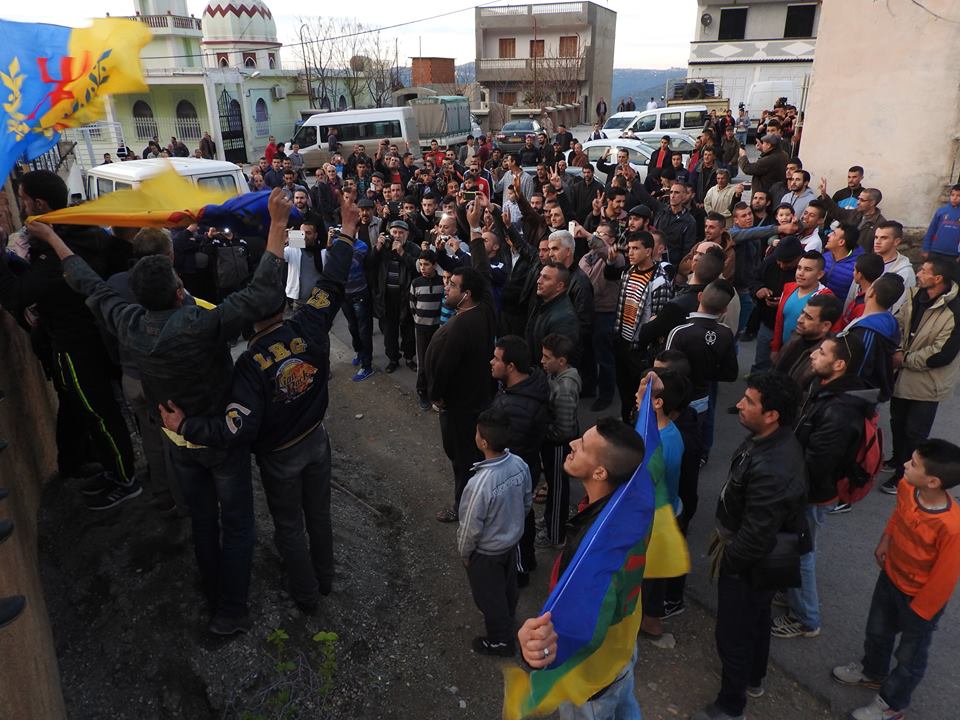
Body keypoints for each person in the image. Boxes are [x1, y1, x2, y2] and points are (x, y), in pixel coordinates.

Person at [31, 189, 291, 635]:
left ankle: (212, 592)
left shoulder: (127, 321)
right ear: (178, 290)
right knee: (238, 522)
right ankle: (231, 608)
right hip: (219, 440)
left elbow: (87, 283)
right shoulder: (201, 323)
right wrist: (278, 223)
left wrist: (53, 240)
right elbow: (262, 289)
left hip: (178, 442)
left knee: (204, 522)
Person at [158, 205, 359, 615]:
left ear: (250, 318)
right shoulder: (309, 324)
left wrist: (188, 425)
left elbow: (236, 428)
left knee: (289, 527)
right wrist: (348, 231)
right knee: (319, 517)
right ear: (282, 308)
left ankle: (306, 596)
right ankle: (325, 578)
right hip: (317, 441)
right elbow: (333, 282)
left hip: (280, 456)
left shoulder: (249, 366)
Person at [2, 170, 138, 509]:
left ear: (39, 204)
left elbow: (18, 295)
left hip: (78, 348)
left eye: (22, 201)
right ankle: (112, 468)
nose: (20, 208)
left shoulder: (59, 251)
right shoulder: (82, 232)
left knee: (99, 414)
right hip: (86, 342)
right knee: (94, 411)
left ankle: (125, 478)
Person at [517, 418, 649, 720]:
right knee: (626, 703)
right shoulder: (632, 503)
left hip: (592, 680)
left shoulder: (596, 557)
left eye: (584, 445)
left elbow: (580, 631)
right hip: (622, 653)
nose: (573, 444)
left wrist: (539, 650)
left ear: (600, 472)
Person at [693, 372, 807, 720]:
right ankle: (753, 678)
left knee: (734, 632)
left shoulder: (773, 465)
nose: (739, 404)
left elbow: (756, 534)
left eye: (750, 401)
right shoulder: (770, 440)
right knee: (757, 619)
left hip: (751, 562)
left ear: (771, 414)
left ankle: (730, 706)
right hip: (762, 562)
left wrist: (731, 564)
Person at [831, 439, 960, 720]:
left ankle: (892, 704)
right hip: (890, 578)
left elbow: (945, 577)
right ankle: (873, 671)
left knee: (909, 657)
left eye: (913, 464)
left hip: (919, 601)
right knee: (877, 631)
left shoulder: (951, 526)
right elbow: (898, 515)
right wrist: (886, 539)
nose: (904, 465)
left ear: (934, 482)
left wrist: (921, 613)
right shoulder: (907, 487)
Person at [772, 334, 876, 640]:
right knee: (797, 546)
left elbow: (819, 463)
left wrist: (788, 485)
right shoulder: (829, 390)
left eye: (822, 352)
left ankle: (806, 617)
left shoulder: (839, 409)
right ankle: (791, 593)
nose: (814, 355)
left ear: (839, 364)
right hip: (807, 487)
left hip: (812, 493)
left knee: (802, 551)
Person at [457, 406, 532, 657]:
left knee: (489, 598)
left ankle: (501, 640)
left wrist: (465, 553)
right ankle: (509, 618)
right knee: (508, 588)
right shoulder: (520, 465)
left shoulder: (479, 483)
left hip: (486, 553)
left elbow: (470, 526)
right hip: (511, 544)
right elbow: (526, 501)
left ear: (483, 441)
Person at [883, 256, 960, 494]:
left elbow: (941, 354)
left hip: (928, 383)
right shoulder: (914, 295)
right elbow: (898, 323)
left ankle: (903, 477)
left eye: (923, 271)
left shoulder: (954, 310)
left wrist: (904, 359)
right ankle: (898, 460)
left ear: (937, 279)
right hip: (903, 375)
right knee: (897, 421)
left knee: (915, 432)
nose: (918, 273)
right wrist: (897, 349)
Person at [426, 267, 498, 522]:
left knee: (462, 459)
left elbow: (444, 366)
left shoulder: (460, 326)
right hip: (479, 400)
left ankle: (463, 508)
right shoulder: (485, 311)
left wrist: (436, 394)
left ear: (466, 294)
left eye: (452, 285)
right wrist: (475, 230)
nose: (446, 287)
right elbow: (485, 283)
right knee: (475, 457)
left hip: (459, 407)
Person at [488, 335, 550, 585]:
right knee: (523, 516)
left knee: (514, 522)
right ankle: (528, 559)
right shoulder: (527, 388)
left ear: (511, 367)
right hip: (527, 468)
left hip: (515, 474)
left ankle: (520, 571)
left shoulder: (515, 407)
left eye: (496, 358)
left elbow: (508, 449)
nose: (491, 362)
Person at [606, 231, 675, 423]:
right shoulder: (629, 271)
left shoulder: (659, 281)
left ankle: (639, 425)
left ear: (649, 251)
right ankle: (627, 417)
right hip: (623, 341)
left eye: (635, 248)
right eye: (629, 248)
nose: (630, 252)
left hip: (640, 348)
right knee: (624, 386)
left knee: (640, 391)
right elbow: (609, 275)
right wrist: (611, 261)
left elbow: (659, 321)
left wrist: (646, 343)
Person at [665, 280, 739, 454]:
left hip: (676, 400)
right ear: (724, 310)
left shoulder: (680, 332)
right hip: (702, 399)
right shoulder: (725, 333)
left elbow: (666, 373)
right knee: (693, 440)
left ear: (699, 297)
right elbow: (730, 373)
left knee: (671, 444)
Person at [538, 333, 581, 549]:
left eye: (547, 357)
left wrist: (545, 434)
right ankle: (550, 523)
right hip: (554, 442)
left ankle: (556, 535)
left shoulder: (564, 388)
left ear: (561, 361)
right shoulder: (557, 377)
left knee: (557, 489)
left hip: (558, 445)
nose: (542, 361)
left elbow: (564, 428)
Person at [841, 273, 905, 404]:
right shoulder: (890, 320)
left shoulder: (869, 330)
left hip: (856, 395)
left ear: (871, 292)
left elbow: (861, 365)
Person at [370, 219, 419, 373]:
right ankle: (393, 359)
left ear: (407, 235)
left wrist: (402, 253)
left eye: (401, 233)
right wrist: (377, 247)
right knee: (389, 333)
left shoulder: (413, 248)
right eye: (394, 232)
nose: (397, 236)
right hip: (387, 298)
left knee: (408, 332)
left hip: (406, 298)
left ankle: (409, 357)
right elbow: (370, 264)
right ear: (389, 233)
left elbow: (418, 268)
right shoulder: (383, 247)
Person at [750, 236, 803, 373]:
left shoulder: (804, 270)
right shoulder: (770, 262)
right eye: (779, 262)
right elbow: (754, 279)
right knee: (761, 364)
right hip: (768, 323)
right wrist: (759, 289)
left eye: (786, 263)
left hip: (792, 329)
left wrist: (784, 302)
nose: (781, 266)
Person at [774, 293, 842, 393]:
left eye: (808, 317)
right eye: (802, 313)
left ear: (825, 326)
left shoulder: (824, 361)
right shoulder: (796, 336)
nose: (799, 320)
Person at [772, 251, 833, 355]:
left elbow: (830, 334)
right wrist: (775, 348)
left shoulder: (826, 298)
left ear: (820, 274)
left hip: (806, 356)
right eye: (799, 268)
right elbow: (779, 320)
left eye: (807, 269)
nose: (800, 273)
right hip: (784, 350)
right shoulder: (788, 288)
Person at [409, 250, 445, 409]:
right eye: (421, 264)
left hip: (437, 328)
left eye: (426, 264)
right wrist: (418, 320)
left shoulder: (442, 282)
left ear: (434, 265)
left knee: (435, 361)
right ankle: (422, 392)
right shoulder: (416, 283)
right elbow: (412, 305)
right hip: (421, 328)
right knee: (423, 362)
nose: (423, 268)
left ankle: (434, 392)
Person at [526, 262, 579, 365]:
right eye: (540, 276)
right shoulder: (542, 303)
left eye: (546, 278)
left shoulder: (564, 319)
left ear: (559, 286)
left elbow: (557, 363)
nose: (538, 281)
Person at [817, 180, 886, 254]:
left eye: (862, 200)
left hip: (860, 260)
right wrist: (824, 195)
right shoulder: (854, 213)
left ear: (872, 203)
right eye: (859, 198)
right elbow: (837, 212)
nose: (858, 202)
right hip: (842, 255)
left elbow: (877, 250)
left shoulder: (881, 224)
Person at [872, 221, 916, 313]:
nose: (877, 242)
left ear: (896, 241)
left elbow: (900, 307)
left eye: (884, 238)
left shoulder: (905, 273)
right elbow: (853, 294)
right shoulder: (869, 262)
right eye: (876, 237)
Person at [822, 223, 864, 301]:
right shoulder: (824, 257)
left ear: (841, 242)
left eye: (834, 234)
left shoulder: (856, 267)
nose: (829, 235)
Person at [922, 183, 960, 261]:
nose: (954, 198)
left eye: (958, 196)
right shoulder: (941, 211)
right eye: (952, 195)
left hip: (954, 254)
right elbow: (931, 230)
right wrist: (926, 249)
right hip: (935, 250)